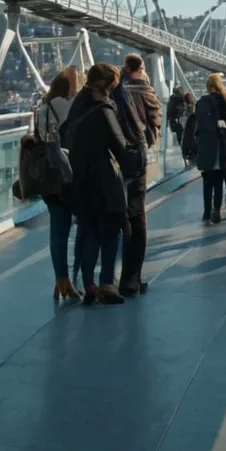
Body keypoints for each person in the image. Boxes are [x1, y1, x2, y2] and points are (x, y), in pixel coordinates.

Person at [63, 63, 132, 305]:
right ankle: (106, 284)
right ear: (106, 85)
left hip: (79, 180)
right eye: (113, 85)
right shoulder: (103, 109)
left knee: (90, 230)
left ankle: (88, 284)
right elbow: (119, 145)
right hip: (104, 179)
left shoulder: (77, 105)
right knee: (112, 230)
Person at [117, 54, 162, 297]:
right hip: (137, 159)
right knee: (137, 214)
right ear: (142, 68)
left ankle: (105, 279)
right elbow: (156, 122)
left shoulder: (116, 92)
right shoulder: (148, 92)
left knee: (117, 214)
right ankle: (132, 278)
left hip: (114, 159)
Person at [38, 67, 82, 301]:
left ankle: (60, 279)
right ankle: (72, 280)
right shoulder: (67, 105)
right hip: (65, 176)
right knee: (81, 226)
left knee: (58, 230)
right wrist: (70, 176)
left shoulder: (42, 108)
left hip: (47, 178)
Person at [194, 73, 226, 224]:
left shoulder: (201, 101)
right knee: (219, 180)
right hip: (221, 144)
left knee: (207, 182)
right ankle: (217, 209)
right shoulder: (224, 101)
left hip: (206, 146)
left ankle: (206, 213)